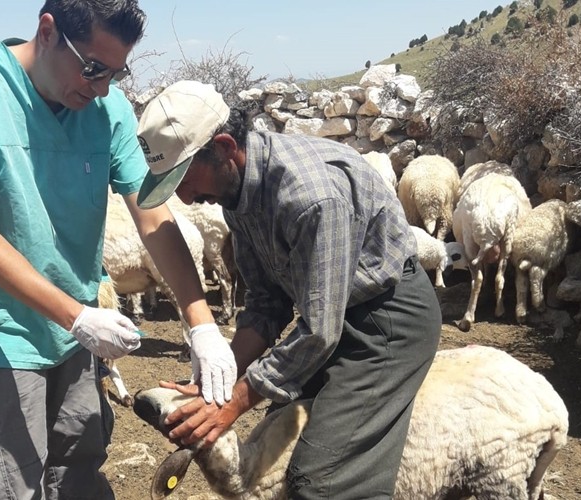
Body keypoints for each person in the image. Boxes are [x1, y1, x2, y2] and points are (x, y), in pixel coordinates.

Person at [0, 3, 235, 498]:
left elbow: (153, 217)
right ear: (48, 31)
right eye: (93, 68)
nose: (101, 87)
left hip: (76, 334)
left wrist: (201, 323)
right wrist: (77, 316)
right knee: (8, 482)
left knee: (79, 464)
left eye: (115, 72)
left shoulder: (107, 108)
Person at [135, 80, 442, 499]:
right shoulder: (238, 192)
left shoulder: (310, 198)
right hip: (331, 317)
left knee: (321, 480)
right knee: (279, 448)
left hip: (385, 322)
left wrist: (235, 403)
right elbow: (266, 301)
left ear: (225, 147)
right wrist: (219, 380)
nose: (185, 199)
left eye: (184, 178)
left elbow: (318, 330)